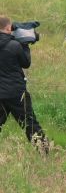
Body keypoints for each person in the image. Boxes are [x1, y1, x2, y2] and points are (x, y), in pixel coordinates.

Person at [0, 15, 49, 153]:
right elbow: (25, 63)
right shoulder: (14, 45)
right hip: (16, 93)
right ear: (9, 28)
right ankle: (44, 152)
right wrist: (25, 45)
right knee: (29, 123)